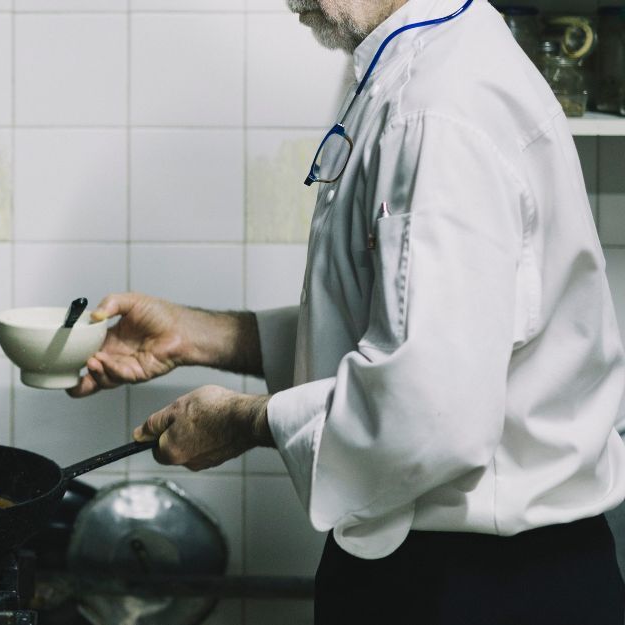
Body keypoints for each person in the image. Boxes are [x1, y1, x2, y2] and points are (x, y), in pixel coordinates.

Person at [68, 0, 625, 623]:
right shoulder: (420, 65)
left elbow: (429, 414)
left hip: (483, 587)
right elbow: (398, 327)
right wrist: (205, 336)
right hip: (458, 570)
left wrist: (246, 422)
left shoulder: (440, 108)